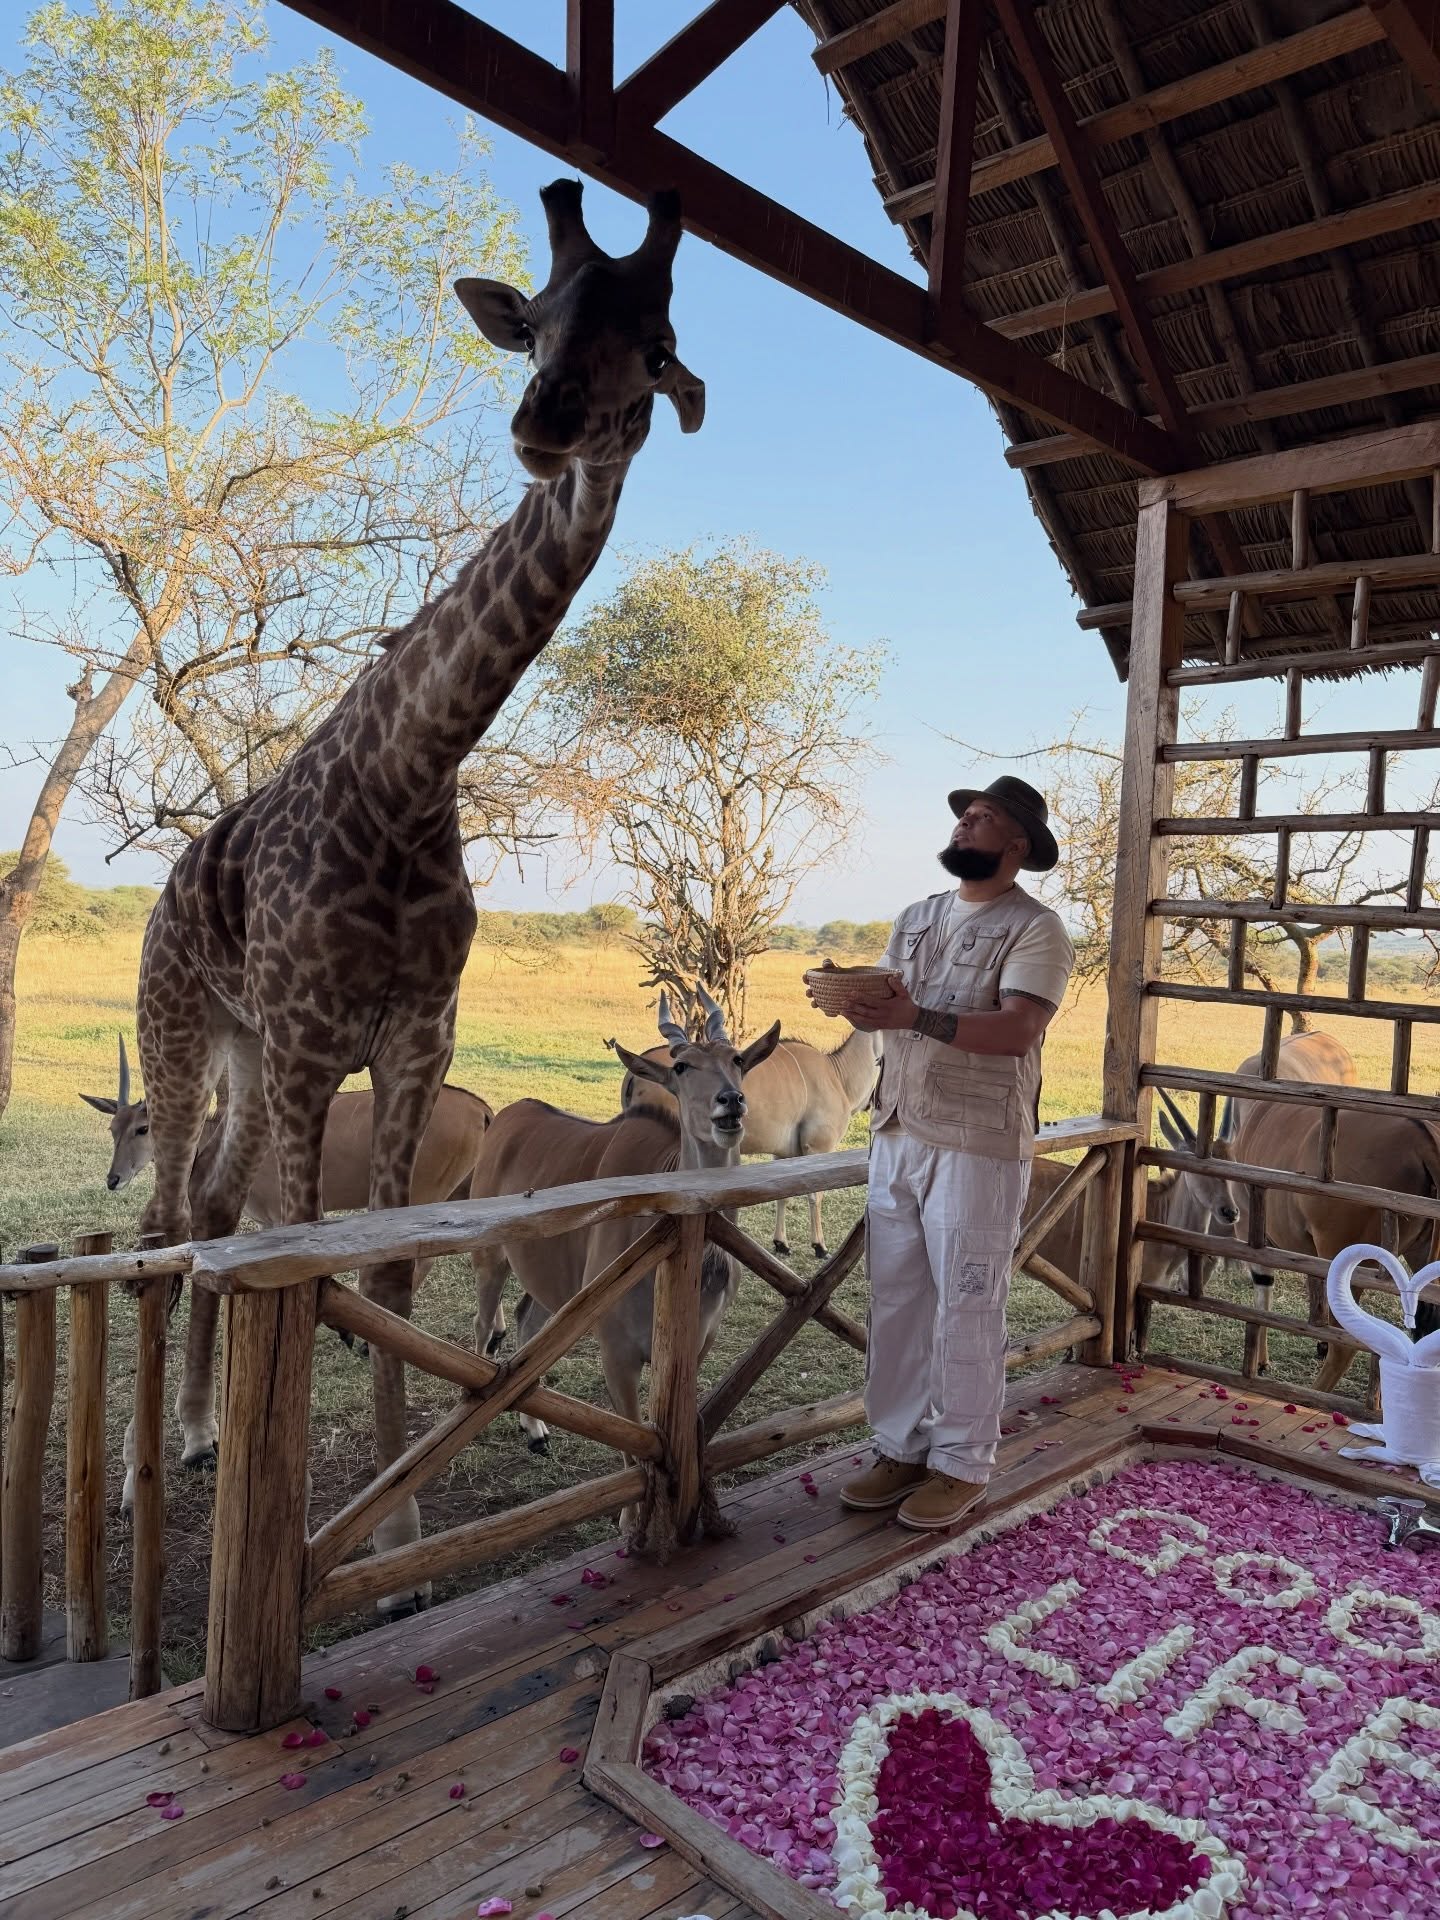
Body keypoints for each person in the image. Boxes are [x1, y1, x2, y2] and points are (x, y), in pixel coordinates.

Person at [808, 776, 1074, 1531]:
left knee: (967, 1304)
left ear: (1016, 846)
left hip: (976, 1144)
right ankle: (900, 1445)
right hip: (897, 1129)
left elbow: (1018, 1031)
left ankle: (962, 1463)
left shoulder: (1037, 929)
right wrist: (853, 1002)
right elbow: (893, 1008)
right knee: (895, 1300)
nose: (964, 827)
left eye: (983, 819)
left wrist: (914, 1015)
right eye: (963, 817)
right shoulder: (917, 918)